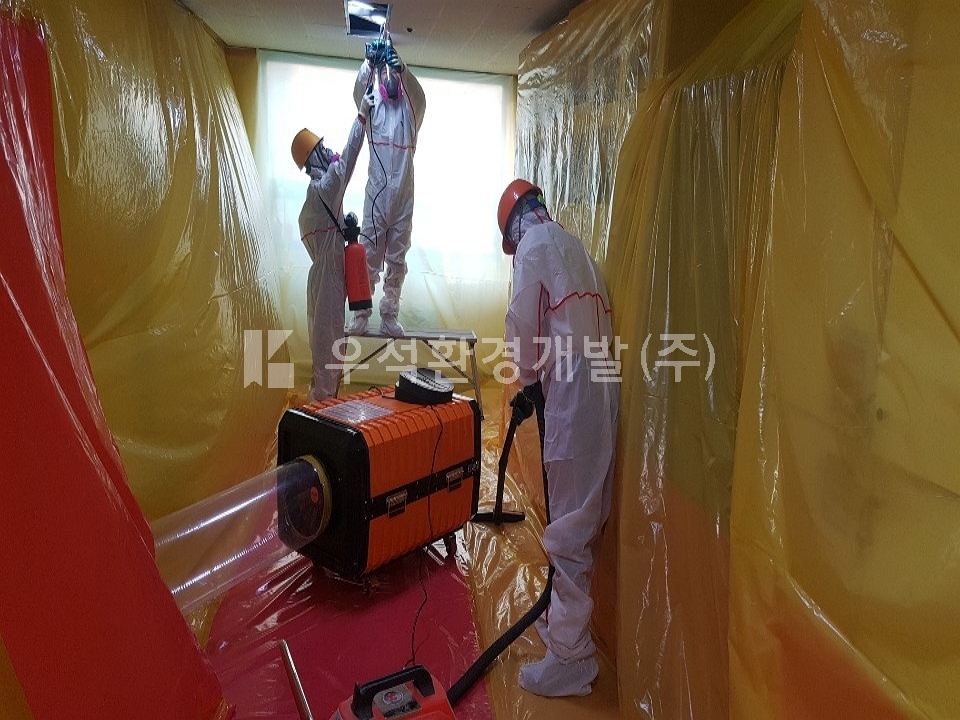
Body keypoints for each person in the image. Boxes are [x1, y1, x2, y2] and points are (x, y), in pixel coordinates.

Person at [498, 179, 619, 697]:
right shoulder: (576, 246)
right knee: (583, 514)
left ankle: (572, 657)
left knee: (568, 524)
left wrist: (528, 381)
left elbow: (522, 324)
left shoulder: (532, 247)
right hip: (602, 391)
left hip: (571, 394)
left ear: (512, 227)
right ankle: (566, 627)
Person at [291, 91, 373, 402]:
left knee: (328, 354)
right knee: (329, 357)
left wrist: (343, 233)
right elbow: (348, 159)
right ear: (311, 160)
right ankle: (320, 416)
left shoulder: (314, 200)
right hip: (328, 281)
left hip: (323, 278)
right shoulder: (323, 189)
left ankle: (321, 408)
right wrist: (361, 117)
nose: (328, 151)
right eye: (321, 149)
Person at [346, 39, 426, 337]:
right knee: (367, 256)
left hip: (403, 197)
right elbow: (359, 92)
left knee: (397, 259)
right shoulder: (373, 106)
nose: (389, 77)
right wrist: (369, 64)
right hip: (377, 195)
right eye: (385, 72)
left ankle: (390, 314)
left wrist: (402, 68)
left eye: (392, 72)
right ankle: (361, 313)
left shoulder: (409, 111)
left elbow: (419, 97)